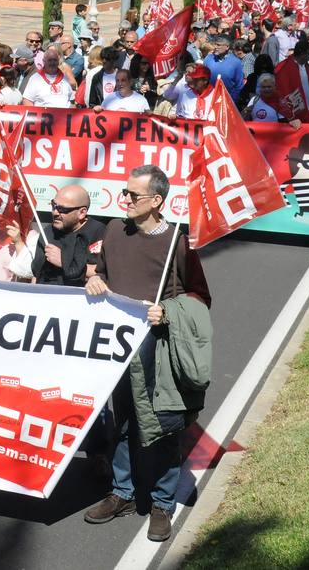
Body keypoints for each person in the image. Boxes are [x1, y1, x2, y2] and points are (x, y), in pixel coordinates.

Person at [83, 165, 212, 542]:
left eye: (132, 196)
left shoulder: (179, 243)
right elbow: (101, 272)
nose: (124, 200)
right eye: (124, 193)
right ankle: (122, 492)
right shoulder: (113, 231)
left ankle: (161, 502)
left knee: (163, 427)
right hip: (118, 347)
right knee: (122, 421)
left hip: (159, 349)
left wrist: (168, 311)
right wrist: (93, 278)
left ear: (156, 201)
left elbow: (201, 297)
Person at [30, 184, 106, 286]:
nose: (55, 212)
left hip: (78, 298)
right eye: (53, 206)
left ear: (82, 213)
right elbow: (37, 275)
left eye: (62, 209)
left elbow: (101, 272)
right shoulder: (48, 232)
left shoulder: (99, 232)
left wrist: (65, 261)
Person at [273, 32, 309, 117]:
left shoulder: (306, 65)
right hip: (293, 113)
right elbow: (282, 91)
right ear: (301, 53)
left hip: (308, 107)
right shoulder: (284, 67)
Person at [202, 35, 244, 100]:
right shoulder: (208, 58)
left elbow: (239, 86)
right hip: (209, 99)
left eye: (218, 45)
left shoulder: (236, 62)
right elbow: (202, 79)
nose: (215, 47)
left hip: (226, 101)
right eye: (215, 44)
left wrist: (232, 101)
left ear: (227, 47)